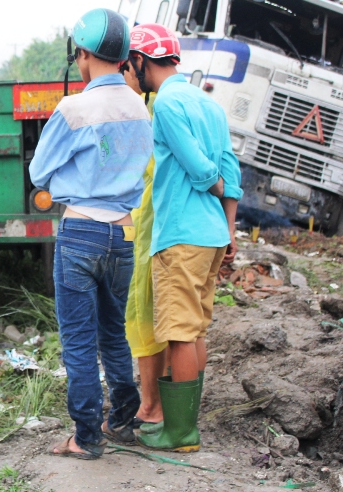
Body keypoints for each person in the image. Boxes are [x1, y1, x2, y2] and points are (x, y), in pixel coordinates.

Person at [29, 8, 153, 460]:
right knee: (113, 333)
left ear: (81, 54)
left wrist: (72, 178)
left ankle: (85, 437)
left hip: (80, 231)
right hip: (123, 235)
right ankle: (121, 418)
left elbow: (39, 173)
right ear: (123, 58)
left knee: (79, 342)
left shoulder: (74, 108)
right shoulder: (138, 106)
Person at [125, 24, 242, 452]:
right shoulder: (209, 104)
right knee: (194, 331)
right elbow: (232, 168)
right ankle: (183, 423)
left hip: (181, 234)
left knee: (177, 332)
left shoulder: (167, 104)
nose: (128, 74)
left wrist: (211, 183)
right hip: (211, 234)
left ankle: (181, 432)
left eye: (129, 65)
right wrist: (229, 226)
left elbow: (203, 168)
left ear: (140, 60)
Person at [118, 50, 169, 429]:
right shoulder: (162, 106)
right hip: (156, 222)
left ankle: (151, 405)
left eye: (125, 69)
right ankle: (163, 402)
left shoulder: (149, 111)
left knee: (140, 313)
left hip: (145, 223)